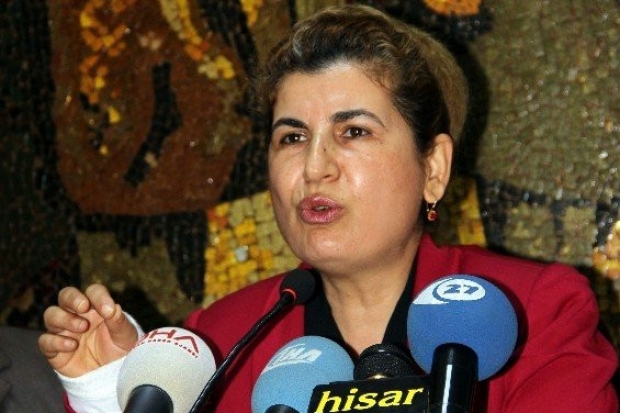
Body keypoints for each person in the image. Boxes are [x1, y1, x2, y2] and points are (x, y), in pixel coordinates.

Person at [38, 5, 618, 413]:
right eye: (292, 138)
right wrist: (115, 389)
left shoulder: (534, 313)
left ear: (434, 168)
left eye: (354, 132)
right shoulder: (218, 343)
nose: (315, 166)